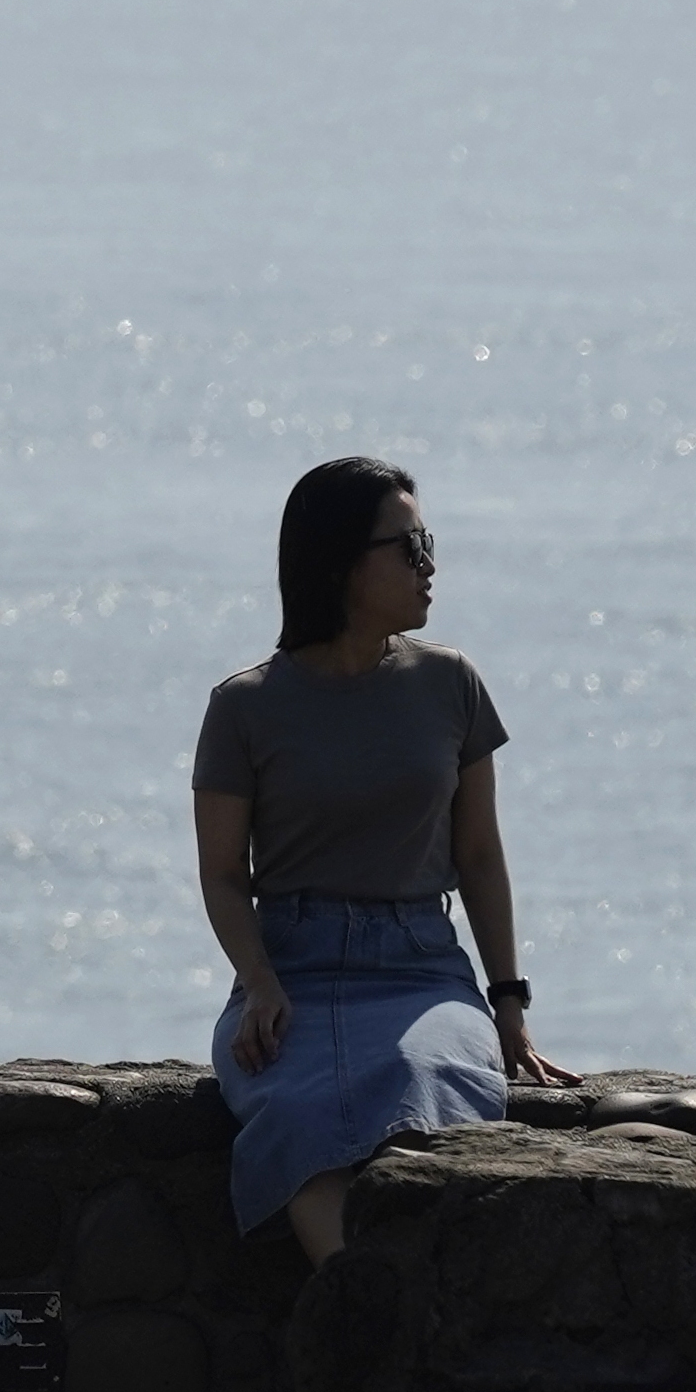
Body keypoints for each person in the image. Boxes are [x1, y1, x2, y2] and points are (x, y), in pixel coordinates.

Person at [191, 457, 568, 1257]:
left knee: (430, 1111)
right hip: (291, 975)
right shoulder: (244, 707)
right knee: (299, 1124)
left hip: (421, 972)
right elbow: (224, 876)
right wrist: (259, 981)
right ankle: (370, 1336)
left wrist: (506, 1002)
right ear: (338, 563)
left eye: (426, 541)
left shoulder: (449, 683)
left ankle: (374, 1343)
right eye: (408, 545)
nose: (428, 565)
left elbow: (478, 854)